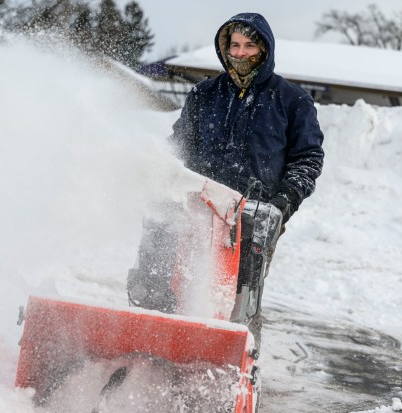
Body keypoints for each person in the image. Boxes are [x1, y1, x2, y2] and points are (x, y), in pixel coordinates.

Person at [168, 12, 325, 345]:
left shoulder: (291, 100)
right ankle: (172, 344)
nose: (240, 53)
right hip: (199, 206)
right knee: (179, 278)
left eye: (249, 45)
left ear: (265, 49)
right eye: (234, 45)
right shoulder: (204, 95)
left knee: (240, 296)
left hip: (253, 216)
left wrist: (283, 203)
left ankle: (238, 357)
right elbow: (178, 145)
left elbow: (307, 159)